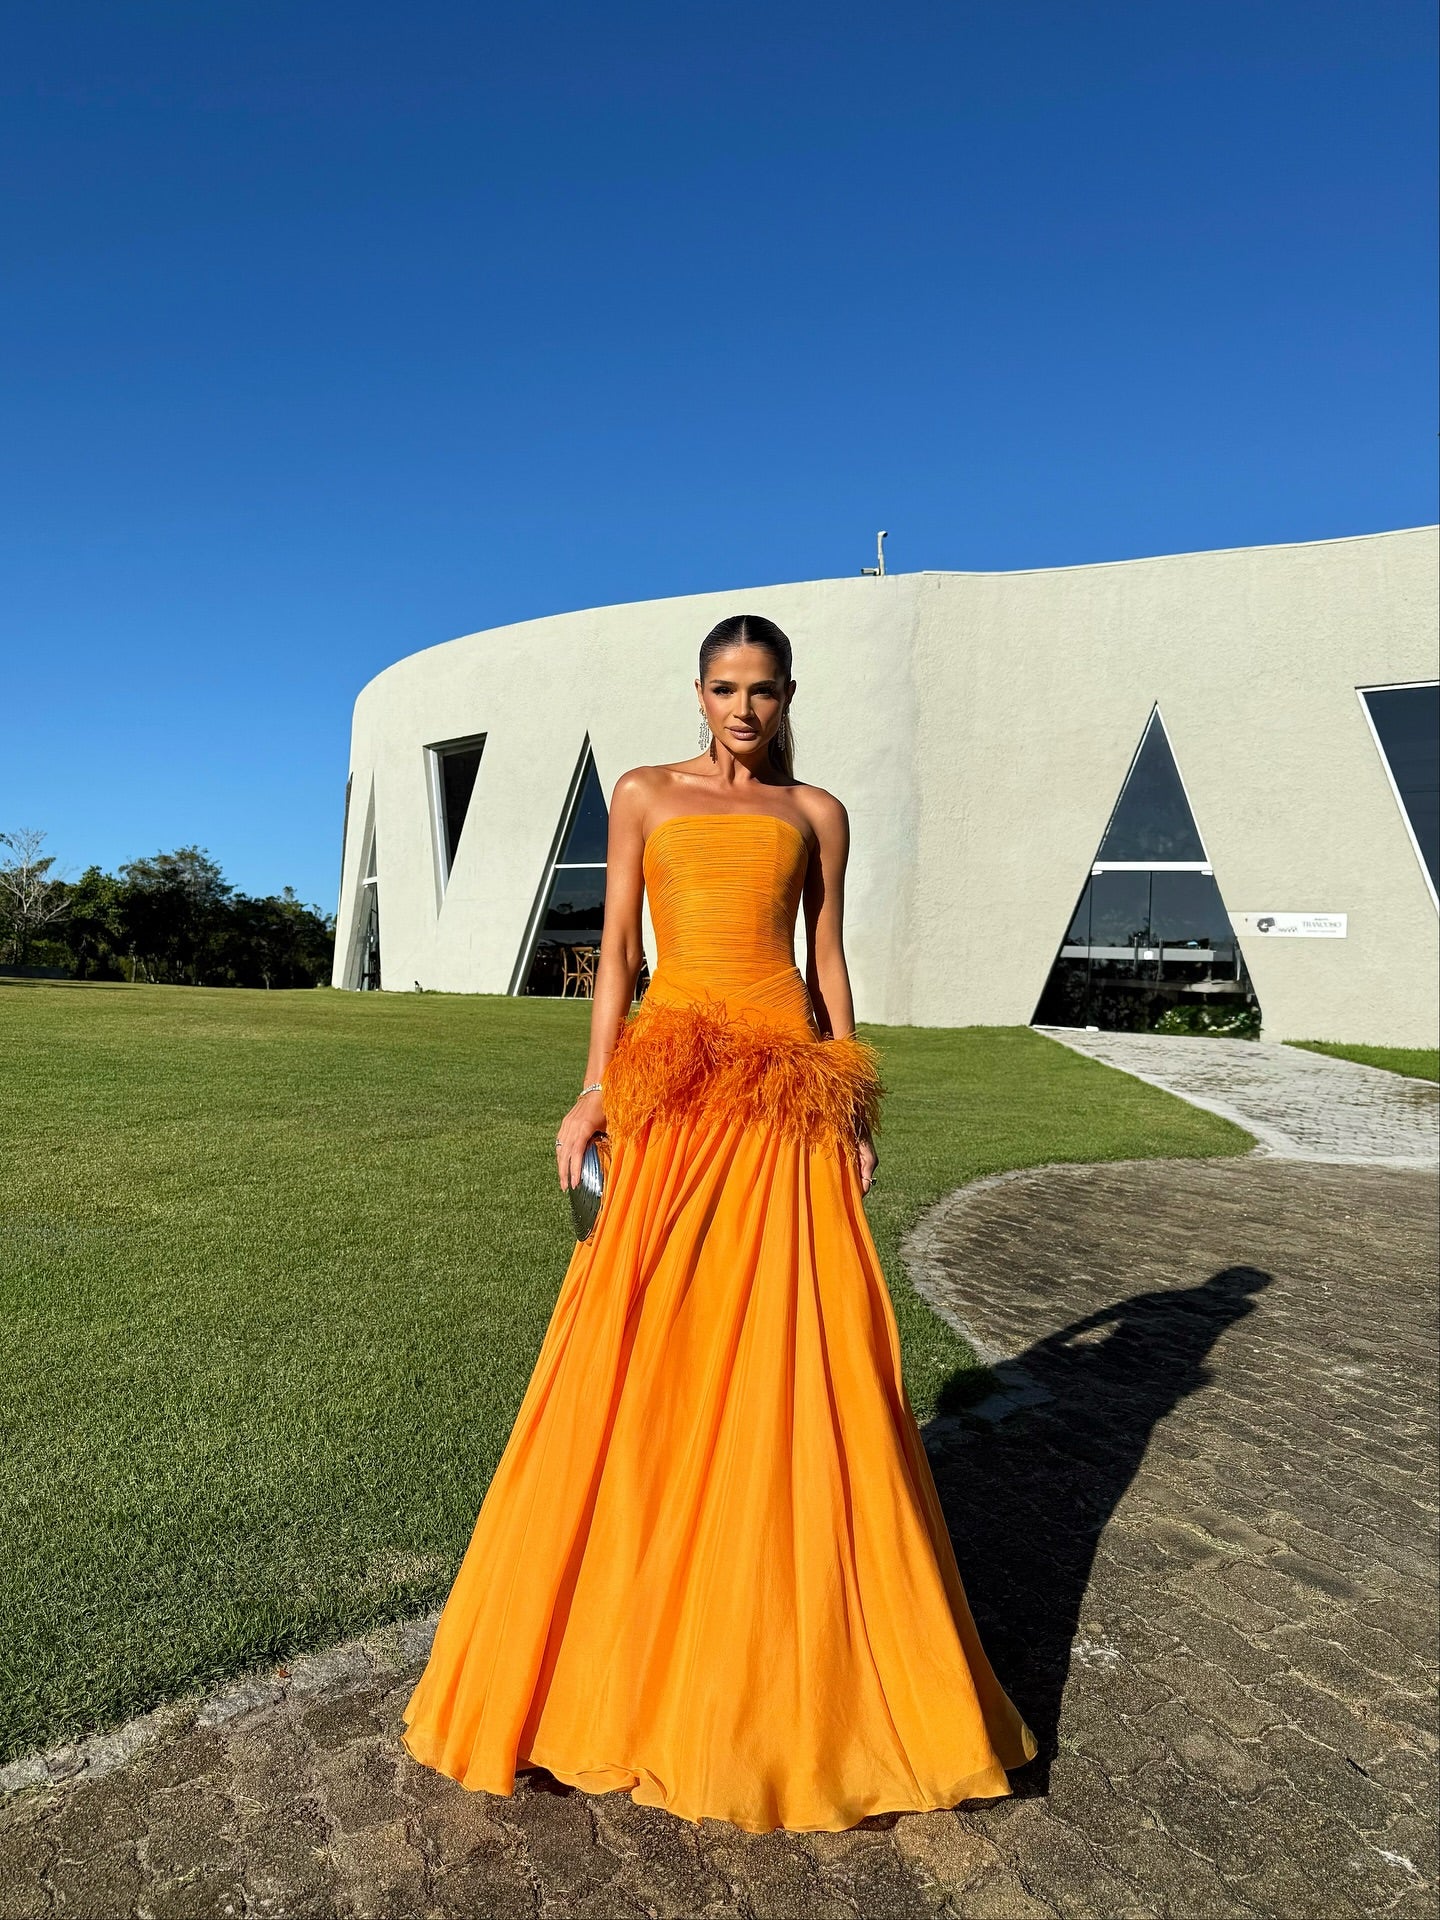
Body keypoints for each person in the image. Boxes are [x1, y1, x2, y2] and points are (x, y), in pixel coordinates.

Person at [401, 613, 1037, 1832]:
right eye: (725, 688)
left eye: (763, 690)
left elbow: (830, 959)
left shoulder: (818, 814)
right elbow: (618, 956)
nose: (744, 708)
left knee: (802, 1350)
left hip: (786, 1097)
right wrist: (594, 1092)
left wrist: (851, 1096)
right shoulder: (641, 794)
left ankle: (776, 1655)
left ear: (785, 694)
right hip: (676, 1095)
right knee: (643, 1343)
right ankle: (615, 1629)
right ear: (698, 693)